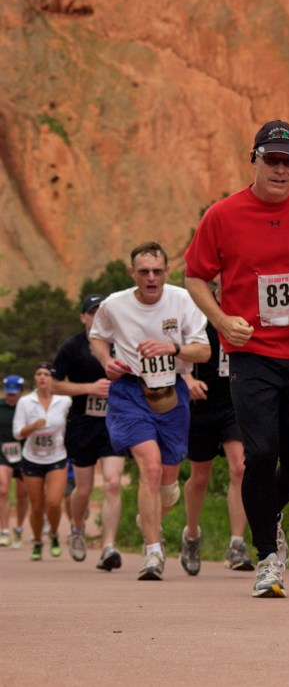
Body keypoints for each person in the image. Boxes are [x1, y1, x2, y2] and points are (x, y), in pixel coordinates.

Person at [184, 120, 289, 598]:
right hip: (251, 353)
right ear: (254, 159)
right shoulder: (222, 215)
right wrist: (220, 319)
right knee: (258, 454)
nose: (280, 169)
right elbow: (195, 276)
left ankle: (266, 511)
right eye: (272, 159)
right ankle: (268, 559)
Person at [89, 241, 210, 581]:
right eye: (144, 272)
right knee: (151, 468)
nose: (151, 277)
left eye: (157, 271)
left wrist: (171, 348)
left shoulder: (183, 300)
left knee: (168, 487)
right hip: (129, 391)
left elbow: (203, 352)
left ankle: (150, 521)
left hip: (171, 390)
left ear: (166, 271)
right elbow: (98, 338)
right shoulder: (115, 305)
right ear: (133, 274)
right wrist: (106, 360)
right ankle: (153, 552)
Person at [181, 276, 254, 576]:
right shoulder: (198, 316)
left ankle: (237, 543)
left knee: (240, 468)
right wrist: (186, 379)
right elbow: (176, 352)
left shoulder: (247, 317)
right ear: (214, 289)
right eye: (224, 284)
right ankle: (192, 534)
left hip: (234, 404)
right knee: (200, 477)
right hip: (201, 405)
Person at [51, 294, 126, 572]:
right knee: (83, 488)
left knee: (113, 482)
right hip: (82, 422)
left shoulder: (121, 343)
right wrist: (88, 389)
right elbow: (55, 385)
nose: (97, 317)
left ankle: (109, 545)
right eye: (92, 313)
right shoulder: (72, 347)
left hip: (115, 422)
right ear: (84, 317)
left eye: (102, 312)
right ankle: (77, 527)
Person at [12, 363, 72, 561]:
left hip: (56, 456)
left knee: (54, 502)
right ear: (35, 379)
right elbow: (17, 433)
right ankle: (38, 541)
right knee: (37, 506)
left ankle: (54, 534)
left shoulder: (64, 401)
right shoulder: (25, 402)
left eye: (46, 374)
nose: (42, 377)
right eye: (38, 374)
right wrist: (32, 427)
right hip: (32, 458)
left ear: (53, 378)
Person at [0, 375, 28, 548]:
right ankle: (4, 530)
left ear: (21, 392)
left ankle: (18, 528)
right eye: (8, 393)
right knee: (2, 490)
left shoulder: (26, 407)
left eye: (14, 393)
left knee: (22, 494)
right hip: (2, 452)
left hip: (24, 454)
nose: (11, 396)